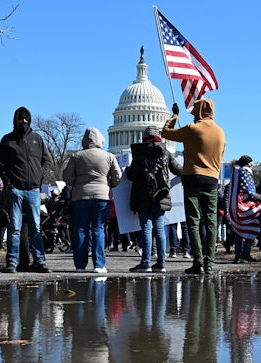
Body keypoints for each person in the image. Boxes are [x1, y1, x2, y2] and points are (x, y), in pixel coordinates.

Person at [161, 99, 226, 274]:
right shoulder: (220, 132)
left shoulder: (192, 129)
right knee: (211, 223)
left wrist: (174, 116)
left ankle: (198, 262)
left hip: (191, 179)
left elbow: (165, 133)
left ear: (198, 111)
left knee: (193, 222)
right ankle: (209, 263)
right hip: (212, 180)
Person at [0, 106, 51, 273]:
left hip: (33, 189)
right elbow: (1, 165)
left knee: (36, 227)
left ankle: (39, 261)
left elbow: (46, 161)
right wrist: (9, 184)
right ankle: (11, 262)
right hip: (16, 190)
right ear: (16, 120)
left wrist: (39, 178)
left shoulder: (37, 139)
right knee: (15, 227)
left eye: (26, 119)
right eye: (21, 119)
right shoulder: (7, 140)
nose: (24, 122)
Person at [63, 127, 122, 273]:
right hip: (102, 196)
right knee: (98, 229)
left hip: (80, 196)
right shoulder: (109, 156)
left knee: (81, 229)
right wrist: (109, 185)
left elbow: (67, 178)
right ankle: (99, 265)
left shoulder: (76, 156)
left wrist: (79, 182)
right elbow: (118, 176)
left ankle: (80, 266)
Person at [126, 126, 182, 273]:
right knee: (159, 229)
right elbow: (178, 170)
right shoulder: (166, 152)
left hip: (143, 195)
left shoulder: (140, 154)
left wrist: (127, 169)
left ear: (144, 138)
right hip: (160, 195)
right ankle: (161, 263)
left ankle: (145, 263)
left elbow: (131, 175)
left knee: (146, 228)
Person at [227, 155, 261, 263]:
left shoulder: (236, 173)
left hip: (236, 206)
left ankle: (238, 255)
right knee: (251, 226)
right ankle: (246, 253)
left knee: (238, 230)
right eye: (251, 162)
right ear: (247, 163)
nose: (252, 164)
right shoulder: (245, 173)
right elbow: (250, 192)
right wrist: (258, 197)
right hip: (245, 206)